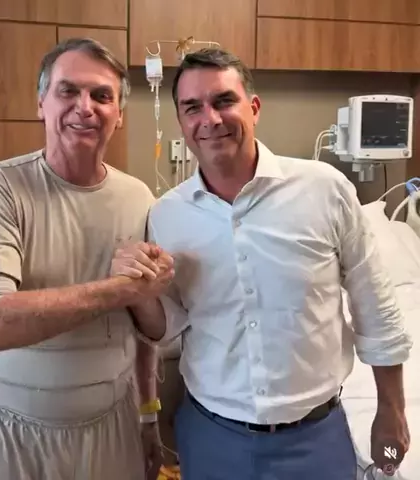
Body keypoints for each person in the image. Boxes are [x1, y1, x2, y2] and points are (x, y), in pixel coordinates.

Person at [111, 48, 413, 480]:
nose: (210, 118)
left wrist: (392, 408)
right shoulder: (167, 215)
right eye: (193, 107)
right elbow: (169, 325)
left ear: (253, 108)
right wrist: (139, 293)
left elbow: (375, 304)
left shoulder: (324, 189)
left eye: (224, 101)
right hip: (212, 435)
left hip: (315, 436)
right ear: (181, 120)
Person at [0, 37, 174, 480]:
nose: (85, 107)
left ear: (118, 115)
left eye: (102, 95)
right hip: (9, 432)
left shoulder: (138, 198)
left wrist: (148, 415)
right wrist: (120, 289)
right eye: (68, 91)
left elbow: (149, 331)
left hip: (110, 427)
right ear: (41, 103)